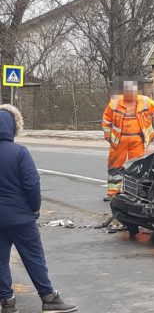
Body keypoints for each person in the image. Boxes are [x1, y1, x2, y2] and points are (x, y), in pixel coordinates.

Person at [0, 105, 78, 313]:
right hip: (21, 218)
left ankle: (7, 303)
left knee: (0, 261)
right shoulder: (19, 152)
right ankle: (48, 298)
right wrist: (35, 208)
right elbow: (32, 184)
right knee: (33, 257)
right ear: (13, 127)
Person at [102, 80, 154, 201]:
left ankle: (135, 192)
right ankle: (113, 191)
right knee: (115, 166)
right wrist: (107, 135)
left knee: (137, 166)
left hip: (138, 139)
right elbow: (106, 120)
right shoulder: (115, 103)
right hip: (119, 140)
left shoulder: (144, 101)